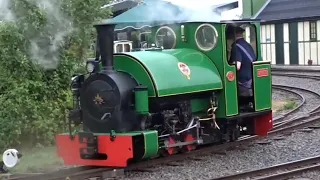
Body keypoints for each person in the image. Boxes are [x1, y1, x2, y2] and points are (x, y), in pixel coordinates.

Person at [226, 25, 256, 97]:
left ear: (233, 35)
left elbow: (237, 66)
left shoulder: (236, 47)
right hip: (251, 79)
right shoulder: (248, 45)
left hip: (243, 82)